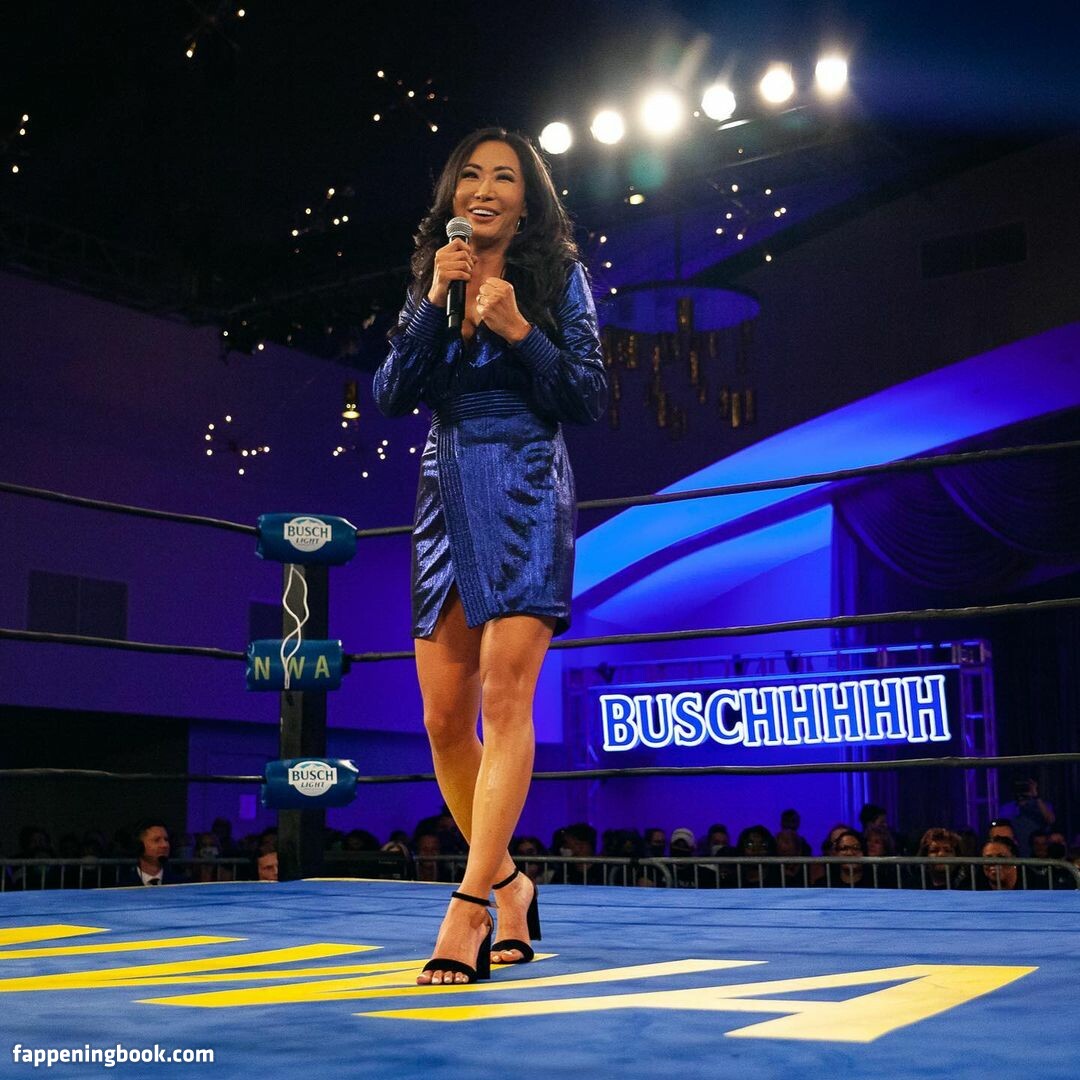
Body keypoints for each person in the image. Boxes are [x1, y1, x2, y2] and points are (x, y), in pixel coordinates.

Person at [374, 126, 606, 987]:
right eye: (470, 175)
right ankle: (511, 885)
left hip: (526, 484)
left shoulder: (559, 277)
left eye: (504, 177)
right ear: (452, 195)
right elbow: (390, 394)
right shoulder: (434, 276)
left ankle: (467, 907)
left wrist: (518, 330)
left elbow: (588, 394)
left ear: (527, 200)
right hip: (444, 490)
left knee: (507, 701)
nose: (484, 189)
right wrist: (437, 295)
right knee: (444, 720)